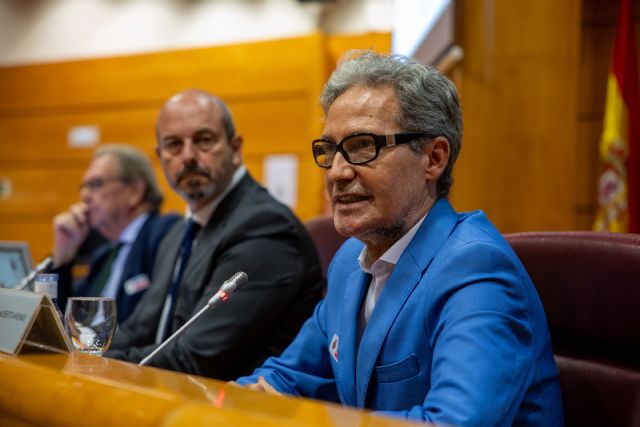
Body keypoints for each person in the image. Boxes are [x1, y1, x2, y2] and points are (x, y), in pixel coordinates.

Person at [235, 51, 564, 425]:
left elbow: (453, 423)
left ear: (433, 159)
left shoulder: (475, 269)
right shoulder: (349, 261)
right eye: (329, 151)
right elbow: (281, 378)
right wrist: (245, 400)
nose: (337, 173)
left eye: (363, 146)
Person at [106, 89, 324, 381]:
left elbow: (195, 358)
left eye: (203, 140)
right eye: (173, 145)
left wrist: (96, 364)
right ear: (160, 157)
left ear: (235, 149)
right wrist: (79, 353)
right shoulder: (178, 233)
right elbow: (140, 329)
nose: (188, 156)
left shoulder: (265, 227)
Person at [52, 144, 180, 323]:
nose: (85, 195)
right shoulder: (104, 255)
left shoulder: (166, 234)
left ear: (135, 191)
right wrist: (63, 259)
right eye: (84, 186)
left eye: (96, 184)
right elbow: (63, 322)